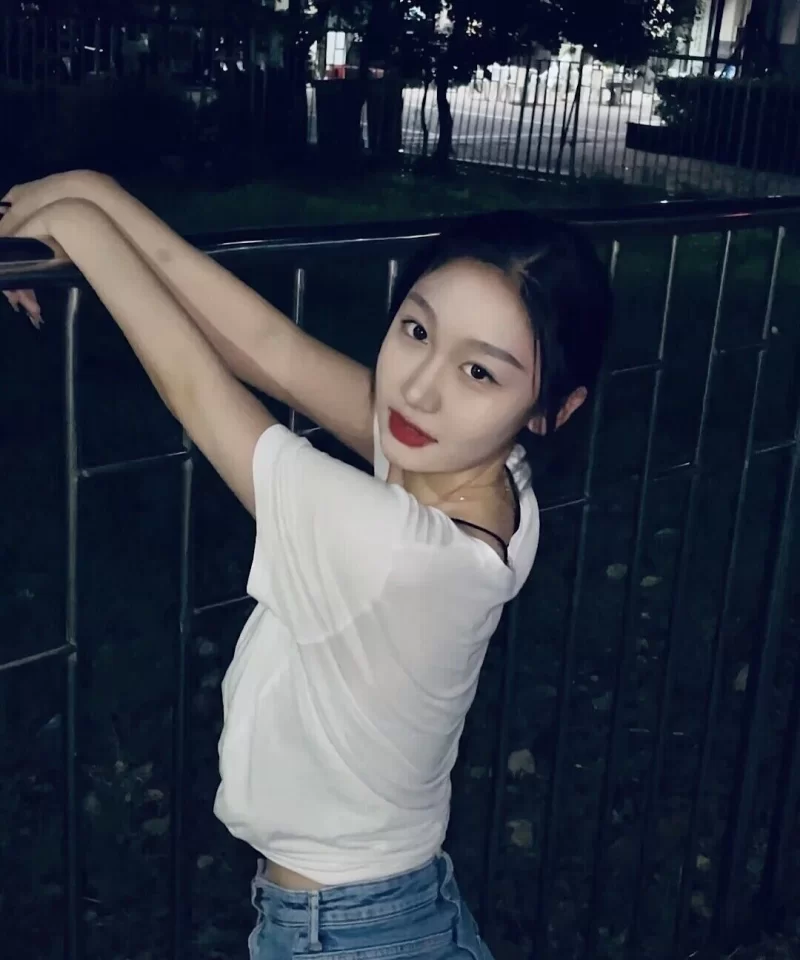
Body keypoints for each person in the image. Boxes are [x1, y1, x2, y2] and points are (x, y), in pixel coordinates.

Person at [0, 171, 612, 959]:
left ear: (553, 410)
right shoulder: (490, 483)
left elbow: (197, 389)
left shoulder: (396, 547)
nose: (420, 390)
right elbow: (268, 348)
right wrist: (90, 192)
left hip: (346, 934)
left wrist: (82, 228)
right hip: (398, 910)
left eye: (480, 372)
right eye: (416, 330)